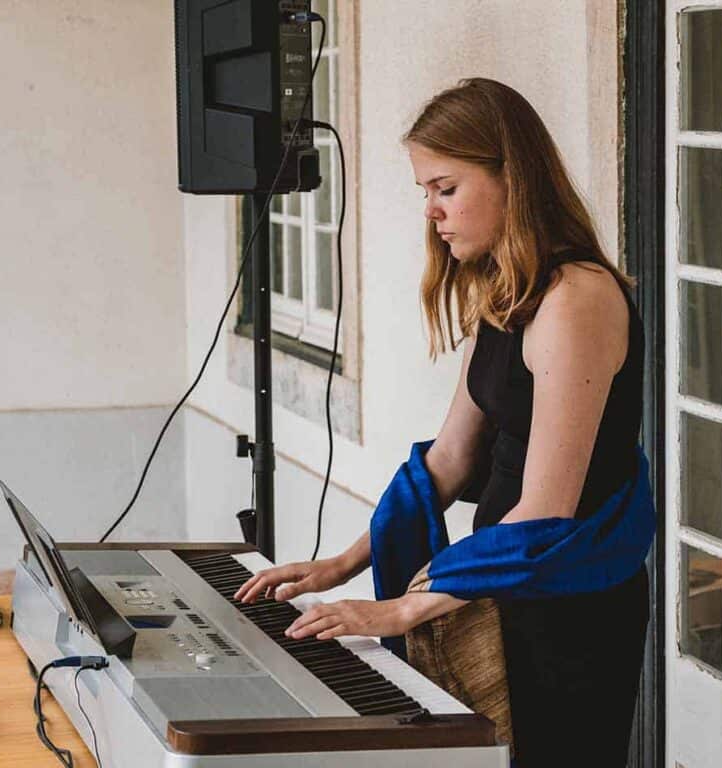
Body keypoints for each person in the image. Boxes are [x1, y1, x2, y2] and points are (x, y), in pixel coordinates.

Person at [233, 77, 650, 767]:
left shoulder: (576, 299)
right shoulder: (508, 292)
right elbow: (450, 461)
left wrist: (400, 608)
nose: (431, 211)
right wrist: (342, 563)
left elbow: (547, 509)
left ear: (512, 177)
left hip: (566, 610)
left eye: (446, 188)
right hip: (499, 589)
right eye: (425, 191)